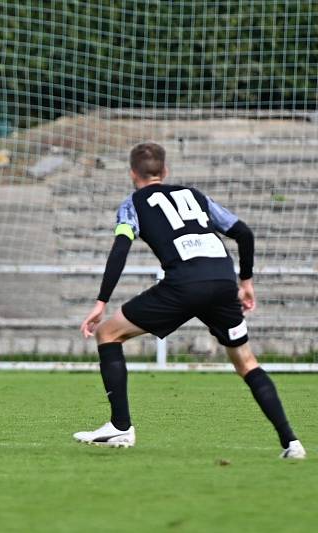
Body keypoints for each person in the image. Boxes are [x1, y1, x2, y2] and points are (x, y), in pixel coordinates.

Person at [77, 142, 305, 459]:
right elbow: (245, 233)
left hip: (183, 284)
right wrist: (246, 282)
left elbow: (120, 249)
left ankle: (120, 426)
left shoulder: (133, 203)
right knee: (247, 363)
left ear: (133, 173)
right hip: (224, 282)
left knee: (107, 333)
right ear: (165, 171)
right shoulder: (195, 196)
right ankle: (291, 443)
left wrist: (101, 303)